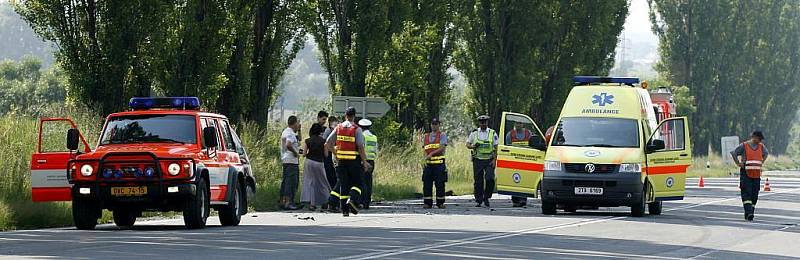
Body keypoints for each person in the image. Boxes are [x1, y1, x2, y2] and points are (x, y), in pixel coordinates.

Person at [325, 107, 370, 216]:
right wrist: (364, 162)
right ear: (354, 116)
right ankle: (353, 200)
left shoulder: (338, 128)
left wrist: (336, 154)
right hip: (353, 161)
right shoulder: (356, 129)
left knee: (343, 185)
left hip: (341, 162)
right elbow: (360, 146)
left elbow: (327, 143)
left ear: (345, 115)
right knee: (358, 183)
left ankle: (344, 210)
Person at [731, 131, 769, 221]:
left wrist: (761, 162)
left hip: (756, 174)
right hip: (745, 174)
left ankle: (750, 212)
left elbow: (766, 153)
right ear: (754, 137)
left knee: (754, 194)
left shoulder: (761, 146)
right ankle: (749, 213)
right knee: (747, 193)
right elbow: (734, 152)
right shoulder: (744, 146)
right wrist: (738, 163)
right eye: (759, 139)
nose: (760, 141)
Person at [466, 115, 498, 208]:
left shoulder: (492, 133)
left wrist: (494, 160)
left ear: (487, 123)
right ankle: (479, 200)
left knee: (490, 178)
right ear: (479, 123)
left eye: (485, 122)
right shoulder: (474, 133)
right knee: (478, 181)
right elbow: (467, 144)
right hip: (478, 160)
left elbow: (496, 148)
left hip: (489, 160)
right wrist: (473, 146)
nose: (483, 124)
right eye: (481, 122)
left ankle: (487, 197)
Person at [300, 123, 332, 211]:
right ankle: (326, 200)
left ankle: (312, 204)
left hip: (309, 162)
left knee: (310, 182)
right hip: (319, 162)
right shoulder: (323, 141)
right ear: (320, 132)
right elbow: (326, 155)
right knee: (322, 182)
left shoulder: (308, 140)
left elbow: (304, 154)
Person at [505, 121, 532, 207]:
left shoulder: (528, 133)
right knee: (515, 180)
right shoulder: (510, 134)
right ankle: (515, 200)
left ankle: (523, 199)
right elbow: (507, 147)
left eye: (520, 123)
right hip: (514, 161)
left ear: (523, 124)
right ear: (514, 124)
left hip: (526, 160)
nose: (518, 125)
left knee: (524, 180)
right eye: (516, 123)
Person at [422, 118, 448, 209]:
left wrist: (431, 154)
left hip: (439, 164)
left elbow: (442, 148)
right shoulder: (426, 136)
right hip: (428, 165)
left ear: (439, 125)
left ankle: (440, 203)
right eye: (433, 124)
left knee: (440, 184)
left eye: (436, 124)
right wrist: (424, 159)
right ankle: (427, 203)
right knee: (427, 183)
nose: (434, 125)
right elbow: (424, 150)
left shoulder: (442, 135)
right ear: (430, 124)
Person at [279, 116, 302, 210]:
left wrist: (299, 130)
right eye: (298, 123)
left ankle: (283, 201)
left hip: (286, 160)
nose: (299, 125)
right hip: (291, 161)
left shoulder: (287, 131)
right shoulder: (290, 134)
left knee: (286, 181)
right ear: (294, 123)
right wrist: (295, 153)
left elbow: (299, 140)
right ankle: (288, 202)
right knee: (291, 182)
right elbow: (288, 145)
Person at [359, 118, 378, 209]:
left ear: (361, 127)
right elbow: (376, 150)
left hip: (364, 161)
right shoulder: (374, 137)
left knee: (362, 182)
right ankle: (367, 202)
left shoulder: (362, 136)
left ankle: (362, 201)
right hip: (372, 161)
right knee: (369, 182)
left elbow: (361, 148)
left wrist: (363, 161)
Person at [323, 116, 340, 211]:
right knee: (333, 181)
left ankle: (334, 202)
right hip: (330, 160)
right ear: (330, 124)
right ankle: (332, 202)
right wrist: (329, 156)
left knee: (335, 181)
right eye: (335, 124)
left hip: (333, 159)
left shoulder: (331, 131)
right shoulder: (328, 132)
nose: (336, 125)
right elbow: (326, 144)